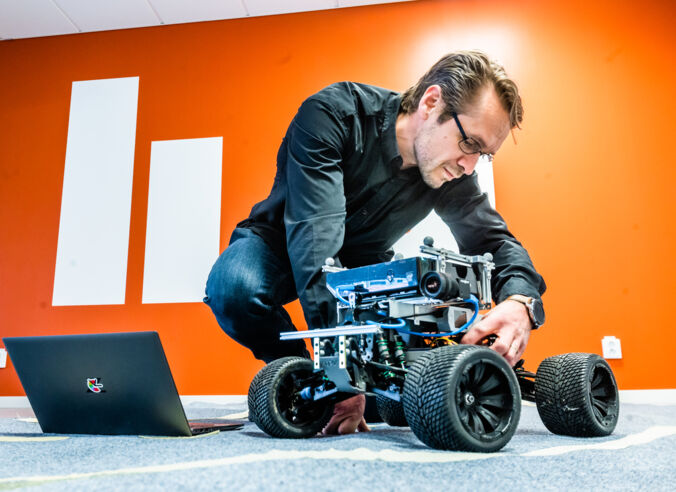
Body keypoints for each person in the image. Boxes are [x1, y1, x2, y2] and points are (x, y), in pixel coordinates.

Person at [204, 50, 546, 436]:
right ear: (431, 102)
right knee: (233, 288)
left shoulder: (450, 172)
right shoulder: (333, 114)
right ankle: (302, 375)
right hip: (281, 240)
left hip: (363, 268)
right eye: (471, 143)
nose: (469, 165)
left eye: (483, 155)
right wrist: (335, 377)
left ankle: (379, 389)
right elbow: (317, 242)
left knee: (410, 351)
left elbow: (494, 240)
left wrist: (521, 302)